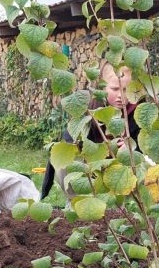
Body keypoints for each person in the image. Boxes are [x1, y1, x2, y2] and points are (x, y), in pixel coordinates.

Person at [41, 63, 140, 200]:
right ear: (102, 87)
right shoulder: (89, 106)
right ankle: (75, 201)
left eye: (126, 89)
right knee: (63, 158)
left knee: (144, 165)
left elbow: (145, 145)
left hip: (121, 171)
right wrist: (81, 149)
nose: (121, 96)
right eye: (115, 89)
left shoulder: (139, 112)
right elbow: (71, 136)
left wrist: (133, 148)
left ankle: (127, 205)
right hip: (92, 165)